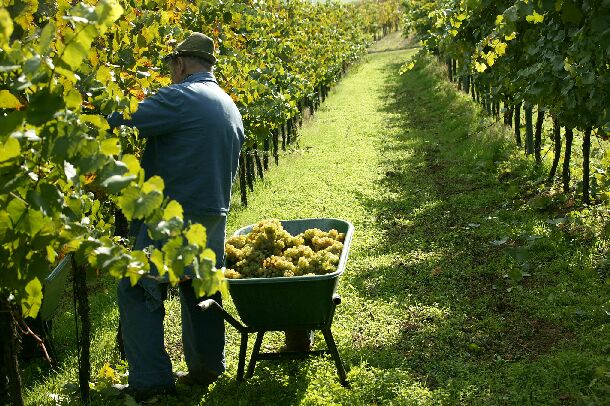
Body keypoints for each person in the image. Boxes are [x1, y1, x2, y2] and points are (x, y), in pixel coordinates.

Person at [108, 32, 245, 401]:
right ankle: (206, 368)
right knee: (200, 289)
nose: (171, 71)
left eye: (171, 64)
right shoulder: (228, 104)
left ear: (181, 63)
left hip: (173, 216)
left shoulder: (180, 97)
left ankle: (150, 380)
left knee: (138, 290)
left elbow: (122, 116)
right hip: (213, 214)